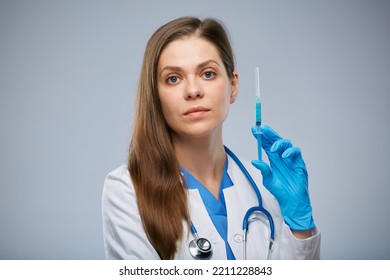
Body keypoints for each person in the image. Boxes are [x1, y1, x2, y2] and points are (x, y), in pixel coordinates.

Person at [102, 16, 321, 260]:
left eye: (207, 74)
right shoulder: (127, 190)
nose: (193, 91)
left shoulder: (268, 186)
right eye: (173, 78)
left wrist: (301, 227)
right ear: (155, 95)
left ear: (233, 86)